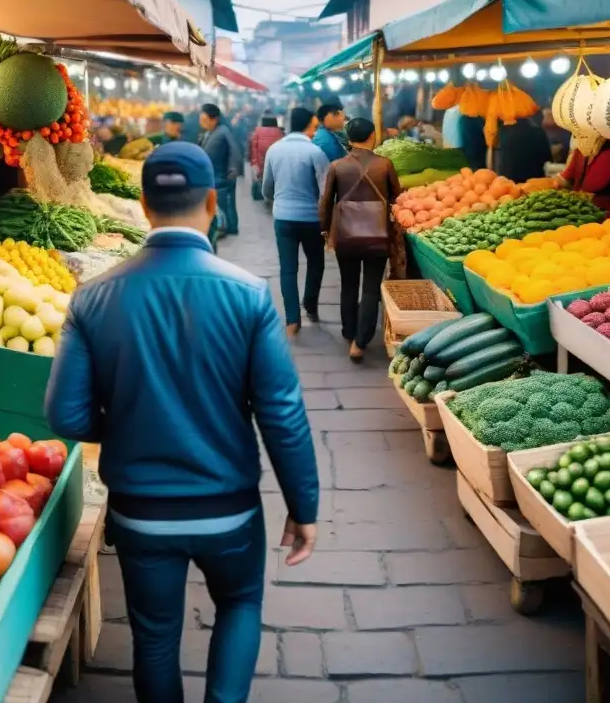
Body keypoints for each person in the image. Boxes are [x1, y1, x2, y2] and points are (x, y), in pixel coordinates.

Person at [45, 142, 319, 703]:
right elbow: (282, 414)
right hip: (230, 509)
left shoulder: (92, 297)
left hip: (141, 513)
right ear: (214, 202)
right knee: (240, 606)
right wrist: (303, 506)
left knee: (155, 638)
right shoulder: (248, 294)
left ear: (144, 206)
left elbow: (66, 414)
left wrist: (124, 422)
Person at [320, 118, 401, 361]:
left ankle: (349, 331)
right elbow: (397, 197)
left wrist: (324, 229)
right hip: (377, 233)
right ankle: (361, 341)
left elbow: (325, 203)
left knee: (349, 285)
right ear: (372, 136)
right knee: (370, 288)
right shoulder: (384, 165)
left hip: (346, 234)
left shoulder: (337, 166)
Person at [262, 107, 330, 336]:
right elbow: (325, 191)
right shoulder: (315, 152)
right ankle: (310, 305)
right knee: (316, 262)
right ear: (309, 124)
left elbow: (267, 187)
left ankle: (292, 320)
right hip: (311, 219)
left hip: (283, 218)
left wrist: (277, 200)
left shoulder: (274, 149)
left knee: (288, 269)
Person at [554, 134, 610, 217]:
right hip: (586, 213)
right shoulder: (581, 151)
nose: (577, 136)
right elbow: (563, 180)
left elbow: (589, 187)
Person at [199, 103, 243, 236]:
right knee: (222, 202)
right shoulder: (210, 132)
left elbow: (235, 151)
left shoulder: (223, 131)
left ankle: (229, 227)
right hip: (216, 175)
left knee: (225, 203)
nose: (202, 123)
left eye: (204, 120)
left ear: (214, 119)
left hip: (222, 175)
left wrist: (232, 171)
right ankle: (228, 226)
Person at [495, 115, 553, 183]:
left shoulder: (503, 132)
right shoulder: (538, 132)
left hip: (510, 183)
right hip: (535, 182)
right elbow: (548, 159)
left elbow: (501, 162)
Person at [249, 114, 284, 201]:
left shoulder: (256, 133)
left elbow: (253, 150)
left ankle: (260, 194)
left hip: (260, 163)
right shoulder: (281, 133)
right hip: (276, 164)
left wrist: (254, 163)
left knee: (259, 179)